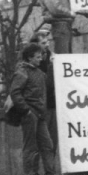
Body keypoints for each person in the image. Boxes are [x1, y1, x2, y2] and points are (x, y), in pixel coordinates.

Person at [10, 43, 56, 175]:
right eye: (37, 57)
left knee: (47, 145)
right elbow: (15, 92)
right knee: (31, 146)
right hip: (31, 114)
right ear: (29, 58)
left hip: (40, 114)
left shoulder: (38, 72)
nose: (41, 59)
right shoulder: (23, 72)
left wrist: (52, 67)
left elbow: (48, 87)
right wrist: (26, 110)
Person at [32, 30, 57, 160]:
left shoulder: (51, 57)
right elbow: (46, 84)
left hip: (52, 104)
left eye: (48, 42)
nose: (47, 45)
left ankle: (50, 172)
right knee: (42, 143)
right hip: (42, 106)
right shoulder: (35, 63)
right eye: (43, 43)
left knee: (53, 141)